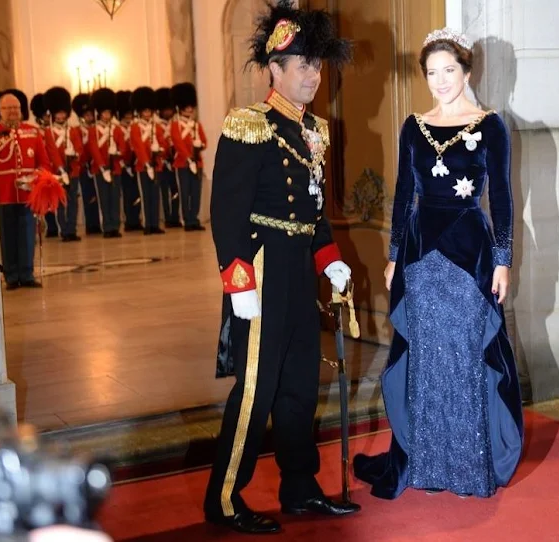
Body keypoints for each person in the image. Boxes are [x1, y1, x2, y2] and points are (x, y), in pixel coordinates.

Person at [203, 1, 358, 535]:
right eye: (302, 66)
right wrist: (237, 279)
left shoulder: (314, 130)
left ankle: (300, 488)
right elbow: (225, 212)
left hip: (298, 273)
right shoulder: (249, 125)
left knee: (299, 385)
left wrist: (331, 262)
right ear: (275, 68)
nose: (313, 76)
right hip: (262, 271)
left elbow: (314, 213)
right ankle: (223, 498)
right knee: (256, 387)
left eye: (317, 65)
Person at [353, 27, 524, 500]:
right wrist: (393, 256)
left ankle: (469, 467)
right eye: (432, 73)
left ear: (467, 71)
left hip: (471, 256)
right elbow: (404, 196)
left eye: (450, 70)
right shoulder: (414, 126)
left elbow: (504, 200)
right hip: (420, 257)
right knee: (426, 359)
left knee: (466, 358)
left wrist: (504, 261)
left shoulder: (491, 126)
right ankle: (427, 463)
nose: (442, 80)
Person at [0, 91, 51, 289]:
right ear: (0, 111)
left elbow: (43, 163)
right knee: (7, 236)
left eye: (16, 108)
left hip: (27, 193)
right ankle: (11, 275)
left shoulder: (32, 132)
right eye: (8, 108)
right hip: (4, 194)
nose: (13, 112)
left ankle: (26, 273)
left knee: (27, 234)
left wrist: (38, 182)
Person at [43, 86, 83, 242]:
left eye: (63, 112)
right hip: (59, 173)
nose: (60, 115)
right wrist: (61, 169)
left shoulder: (72, 131)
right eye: (58, 113)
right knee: (60, 203)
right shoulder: (49, 132)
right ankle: (64, 230)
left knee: (73, 202)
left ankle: (72, 229)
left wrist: (75, 155)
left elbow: (79, 147)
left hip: (73, 170)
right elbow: (52, 152)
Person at [170, 82, 206, 231]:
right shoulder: (175, 125)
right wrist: (188, 158)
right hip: (182, 163)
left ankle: (194, 218)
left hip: (197, 163)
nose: (190, 109)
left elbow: (204, 141)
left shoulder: (196, 125)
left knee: (196, 193)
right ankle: (186, 219)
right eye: (187, 106)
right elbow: (178, 144)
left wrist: (200, 145)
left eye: (191, 106)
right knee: (184, 193)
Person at [130, 86, 166, 235]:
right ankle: (147, 224)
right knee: (145, 196)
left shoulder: (156, 127)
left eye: (149, 111)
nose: (147, 113)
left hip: (156, 165)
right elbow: (138, 147)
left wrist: (160, 150)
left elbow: (163, 143)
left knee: (155, 196)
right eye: (144, 111)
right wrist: (146, 162)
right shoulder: (135, 127)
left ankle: (155, 224)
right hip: (143, 167)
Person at [87, 88, 122, 238]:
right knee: (104, 199)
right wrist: (102, 166)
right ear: (99, 113)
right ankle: (107, 226)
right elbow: (93, 149)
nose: (107, 115)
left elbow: (123, 147)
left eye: (109, 112)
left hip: (115, 167)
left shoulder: (117, 129)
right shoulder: (93, 130)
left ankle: (115, 225)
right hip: (100, 169)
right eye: (104, 112)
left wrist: (117, 153)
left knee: (115, 198)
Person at [72, 93, 102, 235]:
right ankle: (91, 224)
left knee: (99, 196)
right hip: (85, 167)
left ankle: (99, 222)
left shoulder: (96, 129)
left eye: (91, 115)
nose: (90, 117)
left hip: (97, 165)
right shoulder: (77, 130)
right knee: (89, 196)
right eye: (87, 115)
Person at [30, 92, 58, 239]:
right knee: (44, 200)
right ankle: (49, 226)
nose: (49, 118)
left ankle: (55, 226)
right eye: (46, 116)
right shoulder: (36, 131)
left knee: (53, 199)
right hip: (43, 169)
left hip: (53, 168)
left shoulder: (53, 130)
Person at [114, 90, 143, 231]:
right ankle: (129, 220)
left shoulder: (135, 127)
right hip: (123, 165)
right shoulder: (117, 129)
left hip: (135, 164)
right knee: (127, 194)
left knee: (137, 194)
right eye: (126, 113)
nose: (129, 116)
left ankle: (136, 218)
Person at [155, 86, 181, 228]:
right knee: (164, 193)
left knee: (175, 191)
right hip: (163, 162)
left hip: (174, 162)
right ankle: (167, 217)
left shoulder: (175, 125)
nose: (168, 112)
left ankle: (175, 216)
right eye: (166, 109)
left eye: (170, 109)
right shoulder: (157, 126)